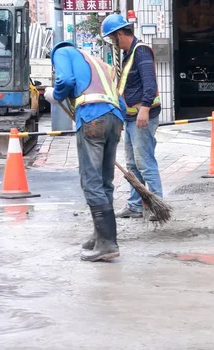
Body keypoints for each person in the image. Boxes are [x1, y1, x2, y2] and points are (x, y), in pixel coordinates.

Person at [44, 41, 126, 262]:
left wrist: (56, 94)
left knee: (91, 182)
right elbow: (121, 101)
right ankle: (101, 235)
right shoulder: (99, 63)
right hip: (115, 118)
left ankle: (107, 243)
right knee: (105, 181)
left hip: (92, 118)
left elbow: (66, 80)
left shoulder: (62, 52)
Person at [101, 14, 163, 219]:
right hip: (130, 118)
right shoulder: (128, 54)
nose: (112, 42)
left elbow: (149, 83)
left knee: (145, 162)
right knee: (132, 164)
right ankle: (135, 205)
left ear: (120, 34)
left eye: (112, 38)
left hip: (141, 116)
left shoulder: (141, 51)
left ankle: (157, 204)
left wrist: (145, 108)